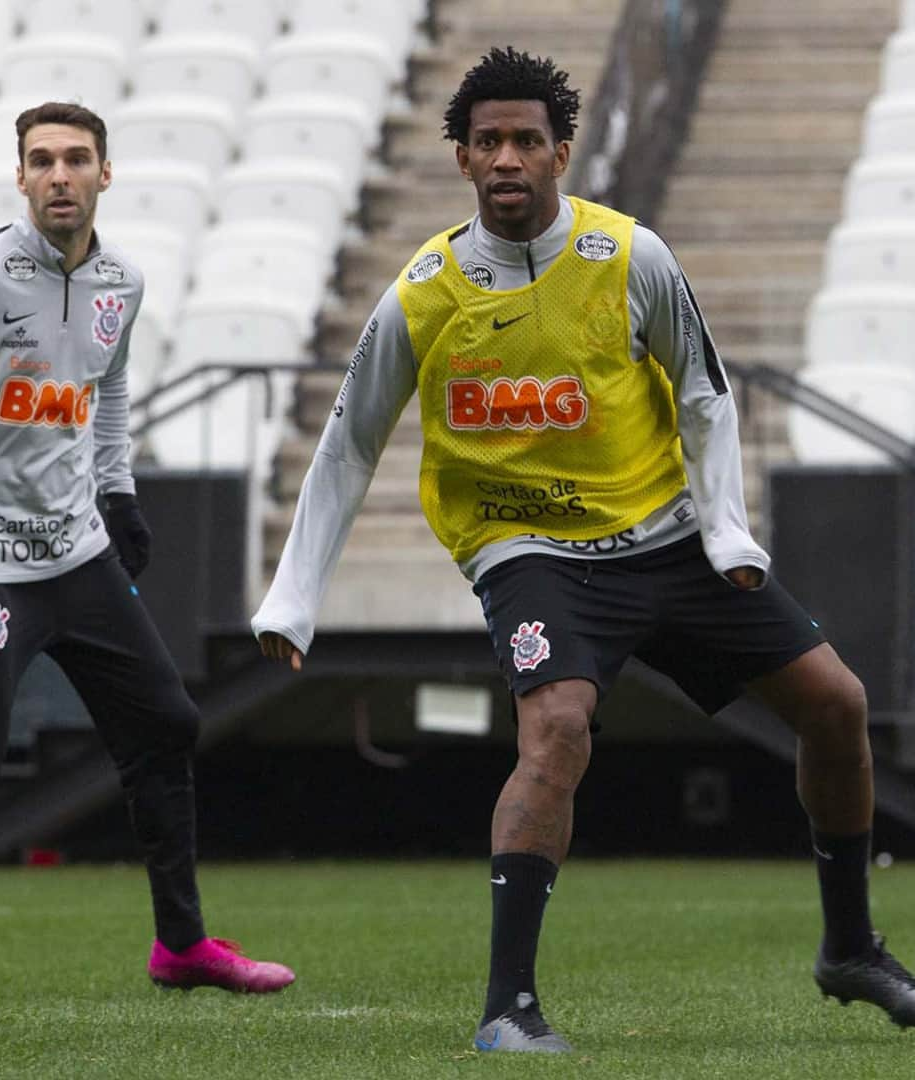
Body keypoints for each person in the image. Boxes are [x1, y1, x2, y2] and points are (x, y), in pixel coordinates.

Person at [253, 46, 915, 1052]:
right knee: (557, 728)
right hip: (529, 552)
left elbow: (703, 391)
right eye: (489, 143)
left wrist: (727, 528)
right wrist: (293, 599)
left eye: (527, 140)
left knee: (840, 707)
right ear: (464, 161)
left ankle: (850, 948)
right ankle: (508, 1011)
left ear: (562, 151)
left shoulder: (629, 256)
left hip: (668, 539)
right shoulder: (423, 293)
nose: (509, 157)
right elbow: (348, 442)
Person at [0, 101, 294, 1003]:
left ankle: (182, 947)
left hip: (78, 558)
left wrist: (117, 490)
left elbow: (107, 387)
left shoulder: (122, 279)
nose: (58, 175)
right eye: (41, 160)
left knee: (167, 725)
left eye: (76, 159)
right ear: (20, 177)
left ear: (104, 174)